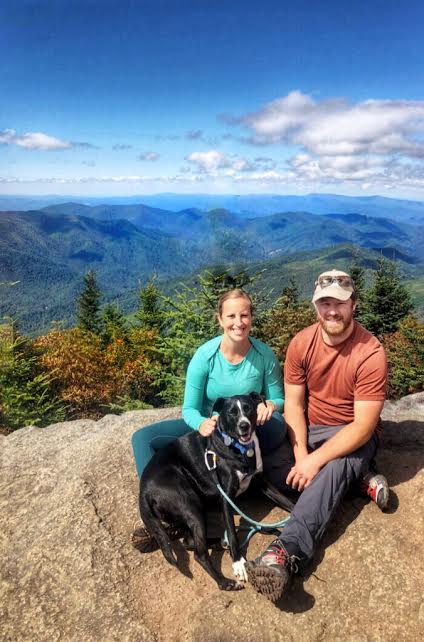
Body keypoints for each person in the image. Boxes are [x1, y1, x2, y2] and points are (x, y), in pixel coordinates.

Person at [245, 269, 389, 602]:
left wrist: (316, 463)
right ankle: (357, 481)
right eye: (325, 303)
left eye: (339, 303)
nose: (332, 311)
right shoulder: (301, 343)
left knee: (334, 468)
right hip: (310, 432)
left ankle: (285, 551)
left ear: (353, 304)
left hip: (352, 436)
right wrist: (302, 459)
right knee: (271, 468)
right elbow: (293, 406)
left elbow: (363, 426)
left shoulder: (370, 353)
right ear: (315, 306)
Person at [131, 288, 287, 546]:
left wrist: (269, 405)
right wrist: (201, 423)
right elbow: (189, 409)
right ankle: (168, 505)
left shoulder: (263, 355)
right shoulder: (205, 357)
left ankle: (238, 482)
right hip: (208, 427)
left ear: (252, 317)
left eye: (244, 315)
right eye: (231, 316)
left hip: (247, 426)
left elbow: (278, 399)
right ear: (220, 319)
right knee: (142, 438)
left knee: (278, 427)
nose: (239, 323)